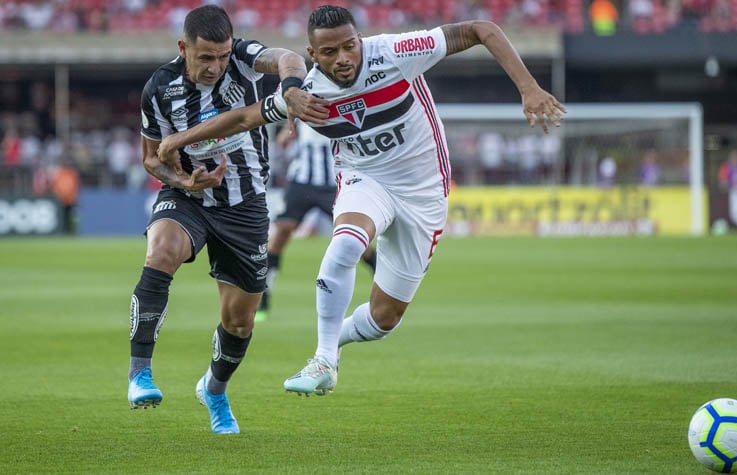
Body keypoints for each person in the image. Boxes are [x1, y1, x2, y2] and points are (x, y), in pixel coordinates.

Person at [156, 5, 566, 397]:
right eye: (330, 52)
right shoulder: (308, 92)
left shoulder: (395, 53)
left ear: (361, 40)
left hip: (424, 189)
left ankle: (335, 346)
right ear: (313, 55)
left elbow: (480, 29)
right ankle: (322, 360)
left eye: (350, 45)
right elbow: (244, 117)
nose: (344, 57)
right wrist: (177, 139)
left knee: (385, 319)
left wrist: (528, 88)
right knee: (347, 243)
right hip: (364, 178)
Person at [127, 4, 329, 434]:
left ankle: (214, 390)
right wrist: (182, 181)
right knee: (162, 248)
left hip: (247, 205)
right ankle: (139, 372)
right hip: (190, 198)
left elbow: (290, 58)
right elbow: (151, 158)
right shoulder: (159, 89)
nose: (216, 66)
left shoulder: (242, 59)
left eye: (222, 56)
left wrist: (291, 85)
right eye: (205, 58)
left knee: (239, 320)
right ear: (183, 48)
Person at [256, 120, 376, 322]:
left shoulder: (342, 108)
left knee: (356, 239)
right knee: (282, 232)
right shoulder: (305, 106)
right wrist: (286, 136)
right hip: (301, 182)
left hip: (333, 184)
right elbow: (284, 138)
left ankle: (384, 280)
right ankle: (264, 296)